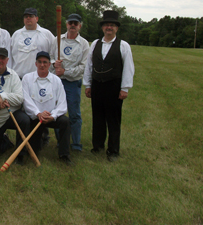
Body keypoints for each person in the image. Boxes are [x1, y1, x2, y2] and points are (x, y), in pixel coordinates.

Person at [83, 10, 135, 162]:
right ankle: (97, 146)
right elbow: (89, 65)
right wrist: (88, 85)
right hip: (97, 86)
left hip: (113, 86)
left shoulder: (123, 45)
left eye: (112, 25)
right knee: (97, 117)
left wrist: (124, 88)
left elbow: (128, 67)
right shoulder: (95, 44)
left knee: (113, 119)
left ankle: (113, 150)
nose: (109, 28)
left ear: (116, 28)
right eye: (106, 25)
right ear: (102, 28)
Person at [23, 51, 72, 165]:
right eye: (39, 62)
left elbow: (62, 103)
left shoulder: (56, 80)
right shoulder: (27, 78)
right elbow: (26, 100)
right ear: (35, 64)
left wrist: (53, 116)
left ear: (49, 64)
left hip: (51, 117)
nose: (42, 65)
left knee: (65, 121)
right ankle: (35, 147)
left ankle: (64, 155)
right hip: (35, 118)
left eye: (45, 62)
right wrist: (38, 113)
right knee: (34, 150)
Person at [52, 13, 90, 152]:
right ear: (66, 24)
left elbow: (82, 67)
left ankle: (75, 143)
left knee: (74, 114)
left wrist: (65, 72)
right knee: (56, 113)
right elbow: (50, 57)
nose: (72, 25)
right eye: (70, 23)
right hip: (57, 82)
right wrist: (54, 64)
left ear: (80, 26)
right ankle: (60, 141)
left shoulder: (84, 44)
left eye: (76, 23)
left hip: (72, 83)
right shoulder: (57, 40)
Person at [9, 8, 56, 79]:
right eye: (26, 17)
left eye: (31, 16)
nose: (28, 18)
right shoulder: (16, 34)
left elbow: (54, 53)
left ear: (36, 18)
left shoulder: (46, 34)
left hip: (40, 79)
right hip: (18, 79)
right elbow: (10, 56)